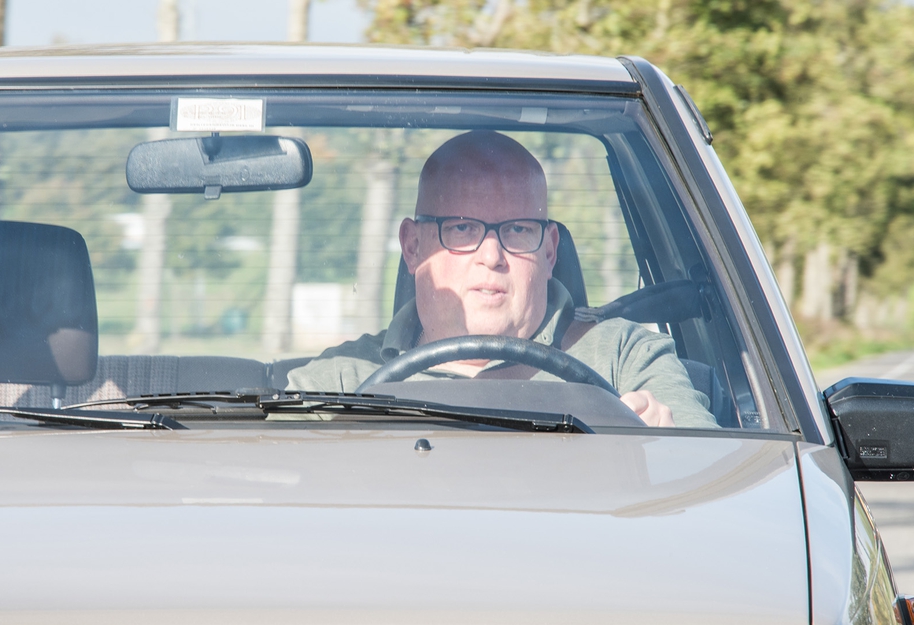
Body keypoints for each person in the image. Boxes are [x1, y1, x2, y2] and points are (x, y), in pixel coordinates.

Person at [287, 130, 717, 428]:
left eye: (518, 230)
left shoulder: (625, 359)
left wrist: (667, 446)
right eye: (461, 229)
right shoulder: (340, 384)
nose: (492, 256)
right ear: (413, 246)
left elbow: (713, 485)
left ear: (549, 251)